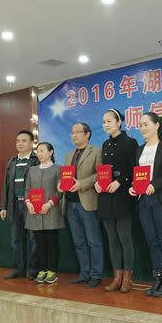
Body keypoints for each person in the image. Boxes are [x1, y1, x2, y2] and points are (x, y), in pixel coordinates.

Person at [129, 112, 162, 298]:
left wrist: (154, 185)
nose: (142, 128)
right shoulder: (139, 150)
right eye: (140, 125)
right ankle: (157, 278)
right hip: (143, 200)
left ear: (157, 125)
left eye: (146, 124)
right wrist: (134, 187)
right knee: (152, 241)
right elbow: (138, 175)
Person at [95, 109, 138, 293]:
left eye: (109, 121)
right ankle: (117, 277)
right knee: (112, 239)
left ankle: (127, 278)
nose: (106, 124)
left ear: (119, 122)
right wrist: (98, 182)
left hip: (122, 195)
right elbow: (104, 171)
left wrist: (120, 181)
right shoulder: (105, 144)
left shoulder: (130, 142)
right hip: (106, 196)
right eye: (104, 122)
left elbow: (134, 169)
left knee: (124, 237)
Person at [60, 123, 104, 288]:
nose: (74, 135)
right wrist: (61, 185)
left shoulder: (96, 151)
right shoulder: (68, 155)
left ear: (87, 134)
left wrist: (82, 183)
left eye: (77, 132)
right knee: (79, 242)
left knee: (93, 241)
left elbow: (100, 174)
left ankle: (96, 275)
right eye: (72, 133)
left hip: (87, 202)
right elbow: (66, 176)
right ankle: (84, 274)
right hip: (70, 203)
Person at [0, 130, 39, 280]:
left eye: (24, 140)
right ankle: (18, 270)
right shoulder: (11, 162)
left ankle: (33, 271)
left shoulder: (36, 160)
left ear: (32, 143)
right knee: (16, 240)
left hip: (31, 205)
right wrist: (3, 206)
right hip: (14, 205)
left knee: (33, 240)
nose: (20, 144)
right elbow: (6, 186)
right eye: (17, 141)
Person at [24, 142, 63, 284]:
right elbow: (27, 189)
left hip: (51, 211)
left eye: (42, 151)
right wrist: (28, 203)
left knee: (52, 243)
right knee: (39, 244)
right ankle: (42, 270)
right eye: (37, 151)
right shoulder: (32, 170)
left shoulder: (58, 169)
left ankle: (52, 271)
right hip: (35, 213)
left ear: (51, 152)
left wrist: (49, 204)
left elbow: (60, 191)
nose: (39, 154)